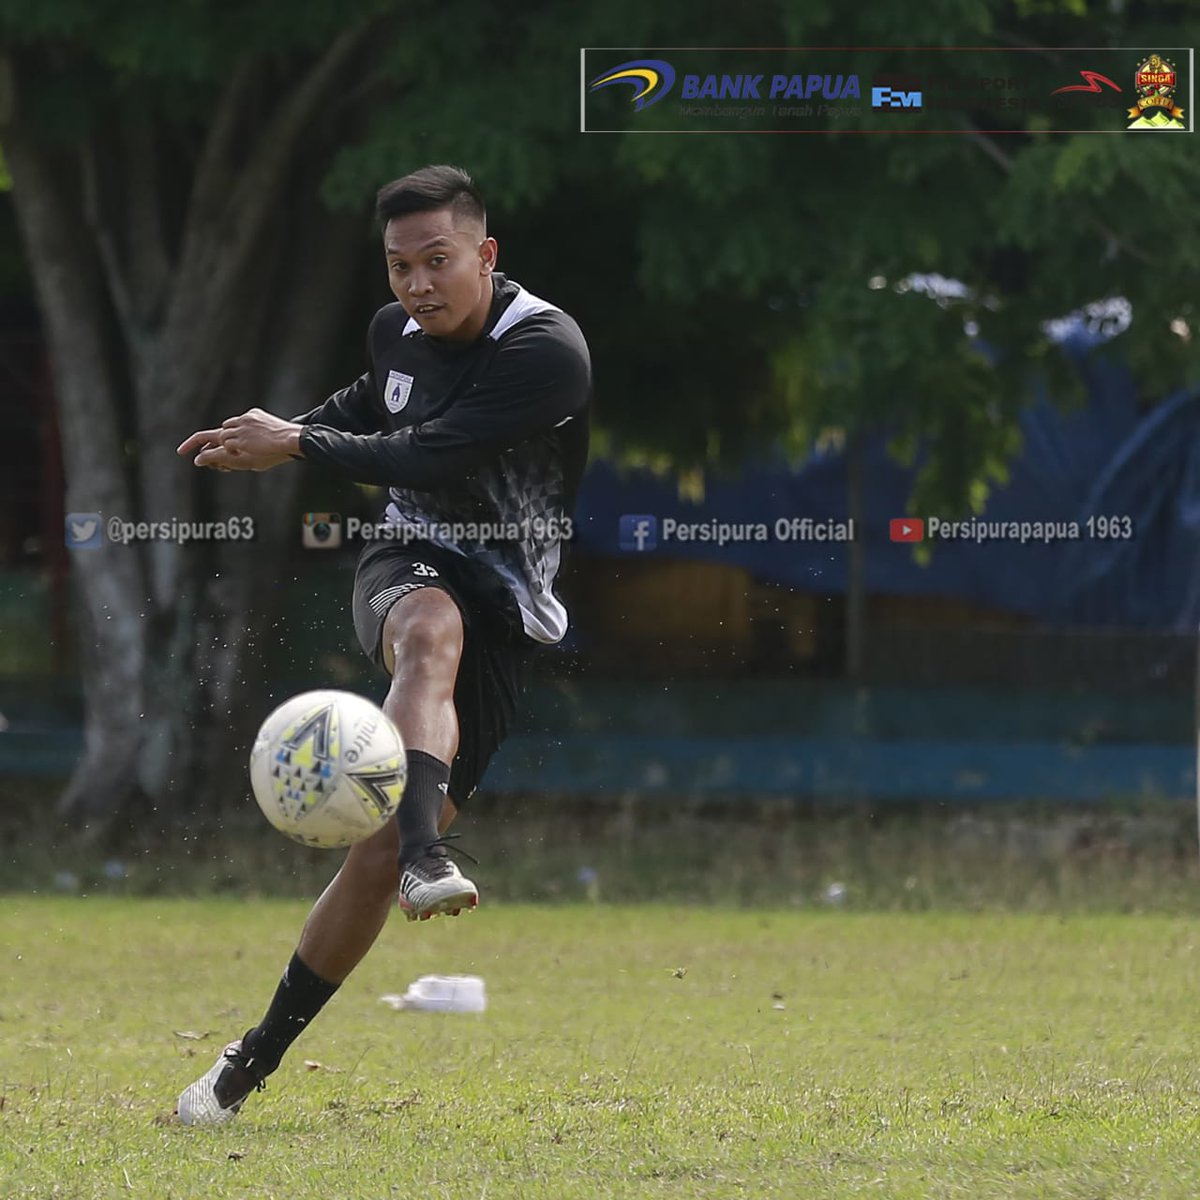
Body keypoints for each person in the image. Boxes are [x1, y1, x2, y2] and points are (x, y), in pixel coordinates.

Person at [173, 164, 591, 1125]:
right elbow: (377, 404)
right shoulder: (395, 330)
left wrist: (298, 444)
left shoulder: (546, 353)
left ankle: (245, 1066)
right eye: (400, 265)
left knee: (367, 861)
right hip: (409, 559)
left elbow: (429, 450)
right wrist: (296, 429)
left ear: (486, 255)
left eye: (438, 261)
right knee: (425, 630)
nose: (417, 285)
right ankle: (424, 857)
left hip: (512, 599)